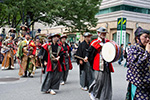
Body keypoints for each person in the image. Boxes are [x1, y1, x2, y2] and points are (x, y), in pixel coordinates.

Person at [85, 27, 114, 100]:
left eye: (104, 33)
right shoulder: (95, 42)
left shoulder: (108, 42)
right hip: (98, 63)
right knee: (98, 81)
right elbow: (89, 51)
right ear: (98, 33)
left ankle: (104, 97)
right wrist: (86, 57)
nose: (104, 34)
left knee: (106, 81)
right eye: (102, 33)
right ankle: (93, 92)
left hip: (106, 63)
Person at [125, 27, 150, 100]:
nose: (148, 39)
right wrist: (147, 52)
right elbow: (138, 64)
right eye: (145, 37)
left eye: (149, 37)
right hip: (139, 86)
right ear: (137, 38)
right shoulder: (133, 49)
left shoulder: (146, 48)